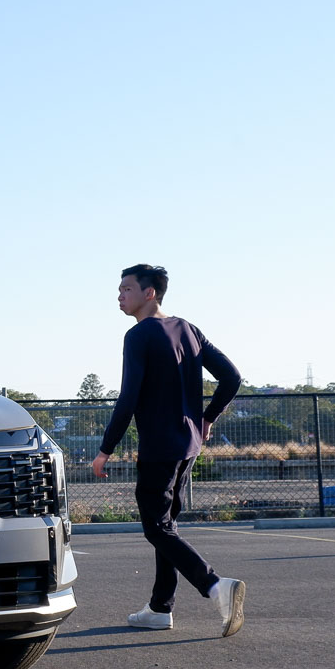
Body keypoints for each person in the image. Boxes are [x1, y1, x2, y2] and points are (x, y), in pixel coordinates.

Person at [90, 264, 246, 636]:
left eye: (126, 288)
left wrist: (105, 449)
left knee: (156, 528)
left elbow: (128, 397)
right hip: (188, 445)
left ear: (150, 293)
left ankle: (214, 585)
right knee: (167, 528)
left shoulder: (139, 335)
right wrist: (207, 418)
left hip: (160, 447)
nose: (119, 295)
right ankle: (161, 607)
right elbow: (232, 377)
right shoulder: (187, 329)